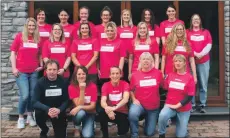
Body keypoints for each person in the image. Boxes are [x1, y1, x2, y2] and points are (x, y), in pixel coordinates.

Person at [10, 17, 43, 129]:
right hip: (21, 72)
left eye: (33, 26)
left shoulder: (37, 39)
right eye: (29, 25)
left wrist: (41, 65)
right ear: (26, 26)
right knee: (25, 96)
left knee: (32, 95)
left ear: (36, 27)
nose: (31, 27)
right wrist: (14, 68)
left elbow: (40, 54)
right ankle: (20, 118)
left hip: (33, 72)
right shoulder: (20, 37)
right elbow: (13, 53)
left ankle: (29, 116)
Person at [158, 54, 195, 138]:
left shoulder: (189, 77)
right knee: (162, 115)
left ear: (185, 63)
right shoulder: (170, 75)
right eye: (176, 61)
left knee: (181, 135)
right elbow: (163, 89)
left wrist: (177, 105)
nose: (177, 63)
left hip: (183, 108)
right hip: (170, 105)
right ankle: (161, 134)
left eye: (180, 61)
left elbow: (190, 96)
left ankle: (182, 127)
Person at [128, 52, 162, 138]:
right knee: (132, 114)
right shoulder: (135, 75)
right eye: (143, 59)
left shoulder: (158, 73)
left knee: (149, 133)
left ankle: (146, 122)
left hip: (153, 107)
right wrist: (134, 99)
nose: (146, 61)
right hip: (140, 104)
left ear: (152, 61)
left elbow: (164, 86)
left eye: (148, 59)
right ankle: (134, 134)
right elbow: (131, 90)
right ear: (140, 61)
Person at [32, 59, 69, 138]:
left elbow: (67, 100)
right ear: (46, 70)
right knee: (37, 113)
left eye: (54, 69)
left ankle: (61, 128)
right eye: (50, 69)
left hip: (58, 111)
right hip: (45, 110)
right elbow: (34, 101)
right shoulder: (40, 82)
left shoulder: (64, 82)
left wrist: (59, 109)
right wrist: (47, 109)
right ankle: (44, 129)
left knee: (60, 135)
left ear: (58, 70)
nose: (52, 72)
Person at [187, 14, 212, 113]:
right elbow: (187, 44)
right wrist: (195, 54)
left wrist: (201, 54)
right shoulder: (187, 32)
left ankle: (202, 104)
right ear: (191, 21)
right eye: (194, 19)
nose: (196, 21)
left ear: (200, 21)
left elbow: (209, 44)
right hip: (191, 61)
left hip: (204, 61)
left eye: (197, 19)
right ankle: (192, 104)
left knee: (203, 83)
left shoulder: (205, 32)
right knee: (192, 82)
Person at [99, 66, 130, 138]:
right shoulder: (105, 85)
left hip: (122, 112)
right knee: (101, 113)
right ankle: (105, 135)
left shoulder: (125, 84)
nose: (115, 76)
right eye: (113, 74)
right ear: (109, 75)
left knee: (123, 131)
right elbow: (103, 101)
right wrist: (108, 110)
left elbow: (125, 99)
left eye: (117, 73)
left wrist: (114, 108)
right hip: (109, 111)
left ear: (120, 75)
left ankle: (121, 130)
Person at [68, 66, 97, 138]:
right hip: (78, 113)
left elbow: (93, 106)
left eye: (83, 74)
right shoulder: (71, 87)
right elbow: (78, 104)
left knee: (88, 136)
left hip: (90, 113)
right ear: (75, 75)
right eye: (79, 74)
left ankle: (91, 123)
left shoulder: (93, 86)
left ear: (87, 75)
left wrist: (80, 107)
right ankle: (77, 128)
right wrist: (82, 90)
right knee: (81, 113)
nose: (81, 76)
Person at [98, 21, 126, 86]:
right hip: (104, 73)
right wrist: (98, 68)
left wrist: (120, 71)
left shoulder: (120, 42)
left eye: (111, 30)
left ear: (115, 31)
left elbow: (122, 57)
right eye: (108, 30)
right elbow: (98, 56)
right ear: (105, 31)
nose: (109, 32)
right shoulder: (101, 42)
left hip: (115, 74)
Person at [117, 9, 137, 82]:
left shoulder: (135, 28)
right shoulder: (117, 29)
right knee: (122, 78)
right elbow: (117, 44)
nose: (126, 16)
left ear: (130, 17)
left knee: (131, 78)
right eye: (124, 15)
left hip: (132, 57)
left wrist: (130, 57)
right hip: (121, 58)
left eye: (127, 15)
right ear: (122, 17)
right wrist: (123, 57)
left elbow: (136, 42)